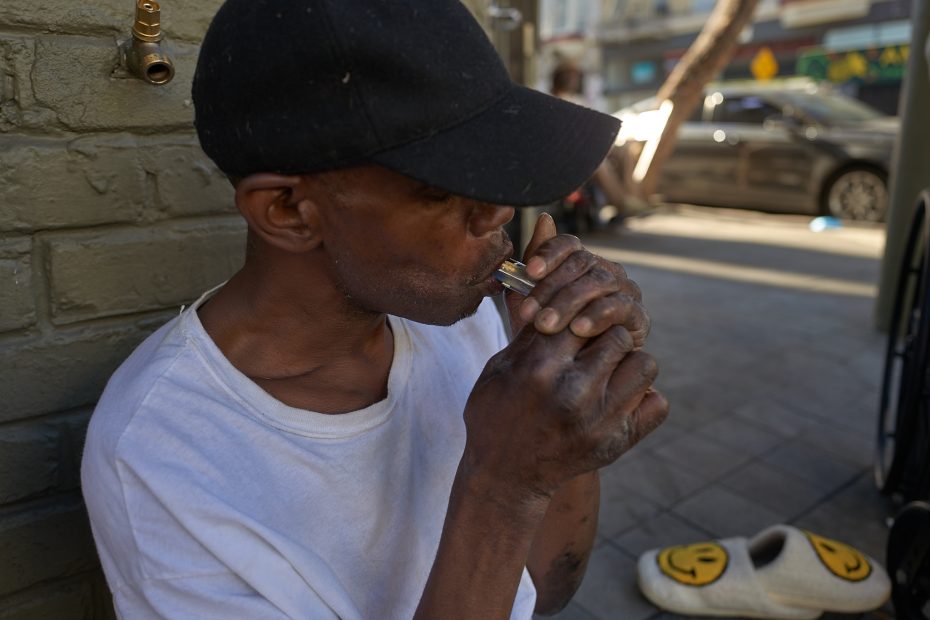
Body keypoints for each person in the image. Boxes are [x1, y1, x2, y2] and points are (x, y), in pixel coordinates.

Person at [80, 1, 669, 618]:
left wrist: (562, 402)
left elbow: (546, 588)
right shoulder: (164, 453)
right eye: (441, 188)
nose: (496, 211)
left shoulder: (454, 319)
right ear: (288, 211)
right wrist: (501, 486)